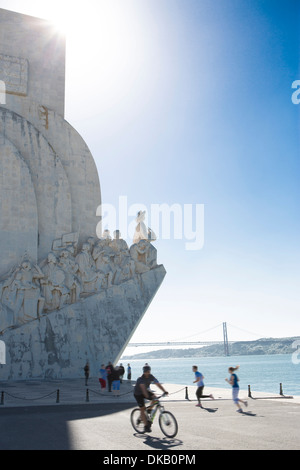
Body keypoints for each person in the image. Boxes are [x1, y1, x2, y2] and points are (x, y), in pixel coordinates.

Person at [133, 365, 168, 433]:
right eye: (146, 372)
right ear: (144, 372)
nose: (147, 373)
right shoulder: (140, 379)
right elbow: (143, 390)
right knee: (142, 408)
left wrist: (164, 391)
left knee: (155, 399)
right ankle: (146, 427)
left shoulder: (151, 376)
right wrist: (148, 397)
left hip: (145, 391)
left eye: (148, 371)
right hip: (138, 394)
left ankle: (149, 410)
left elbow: (157, 384)